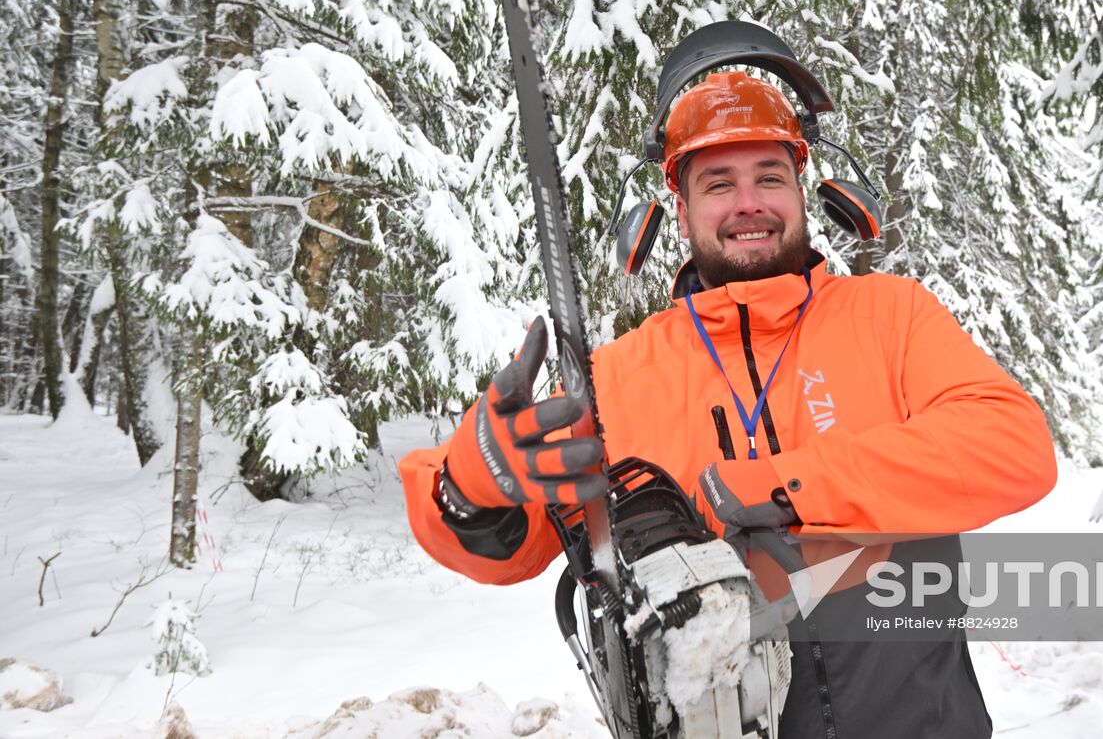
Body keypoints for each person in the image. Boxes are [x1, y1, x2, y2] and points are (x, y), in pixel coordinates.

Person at [399, 70, 1058, 737]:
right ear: (680, 212)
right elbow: (515, 548)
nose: (749, 203)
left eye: (770, 177)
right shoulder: (616, 378)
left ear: (803, 192)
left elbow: (1012, 446)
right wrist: (468, 491)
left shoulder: (892, 315)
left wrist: (780, 487)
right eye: (718, 184)